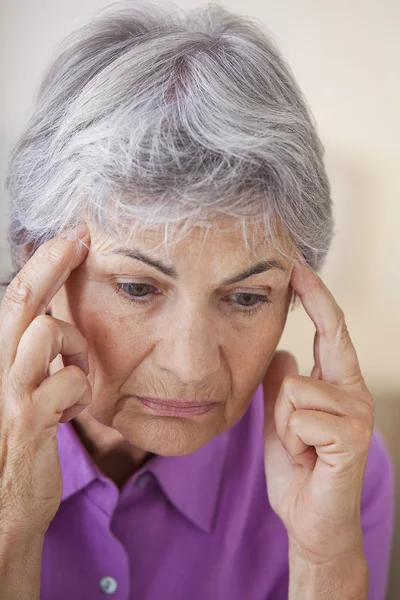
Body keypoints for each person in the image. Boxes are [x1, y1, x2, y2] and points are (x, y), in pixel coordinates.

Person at [0, 1, 394, 599]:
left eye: (244, 297)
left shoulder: (334, 462)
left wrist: (325, 559)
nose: (191, 365)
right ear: (35, 260)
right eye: (137, 288)